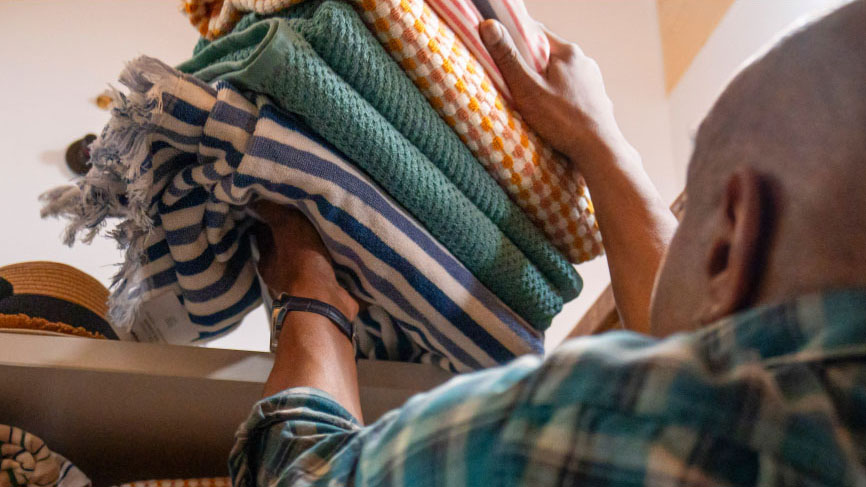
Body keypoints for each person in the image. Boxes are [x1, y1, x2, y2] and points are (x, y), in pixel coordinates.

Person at [236, 1, 866, 484]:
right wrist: (599, 142)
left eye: (691, 216)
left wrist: (312, 293)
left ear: (729, 245)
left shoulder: (685, 422)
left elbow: (304, 476)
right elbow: (687, 333)